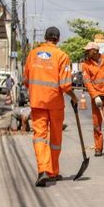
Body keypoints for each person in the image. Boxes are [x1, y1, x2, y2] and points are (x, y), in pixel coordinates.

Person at [23, 26, 78, 187]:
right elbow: (66, 85)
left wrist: (36, 91)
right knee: (55, 139)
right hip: (54, 104)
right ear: (58, 39)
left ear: (45, 37)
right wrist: (74, 97)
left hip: (37, 102)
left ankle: (43, 170)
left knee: (39, 136)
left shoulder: (33, 54)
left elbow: (26, 80)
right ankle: (53, 172)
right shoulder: (62, 56)